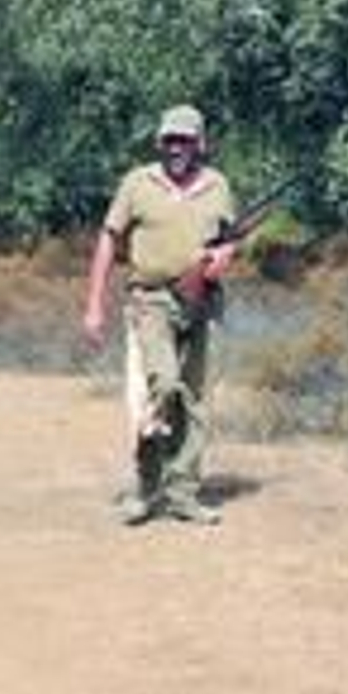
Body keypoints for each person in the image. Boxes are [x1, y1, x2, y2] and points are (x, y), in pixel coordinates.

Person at [82, 103, 237, 526]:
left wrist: (223, 257)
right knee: (163, 384)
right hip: (151, 300)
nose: (176, 147)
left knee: (198, 398)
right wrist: (95, 304)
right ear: (159, 142)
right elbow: (109, 241)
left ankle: (184, 492)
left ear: (201, 143)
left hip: (204, 302)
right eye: (170, 139)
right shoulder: (137, 183)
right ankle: (147, 488)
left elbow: (227, 240)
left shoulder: (218, 186)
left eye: (185, 139)